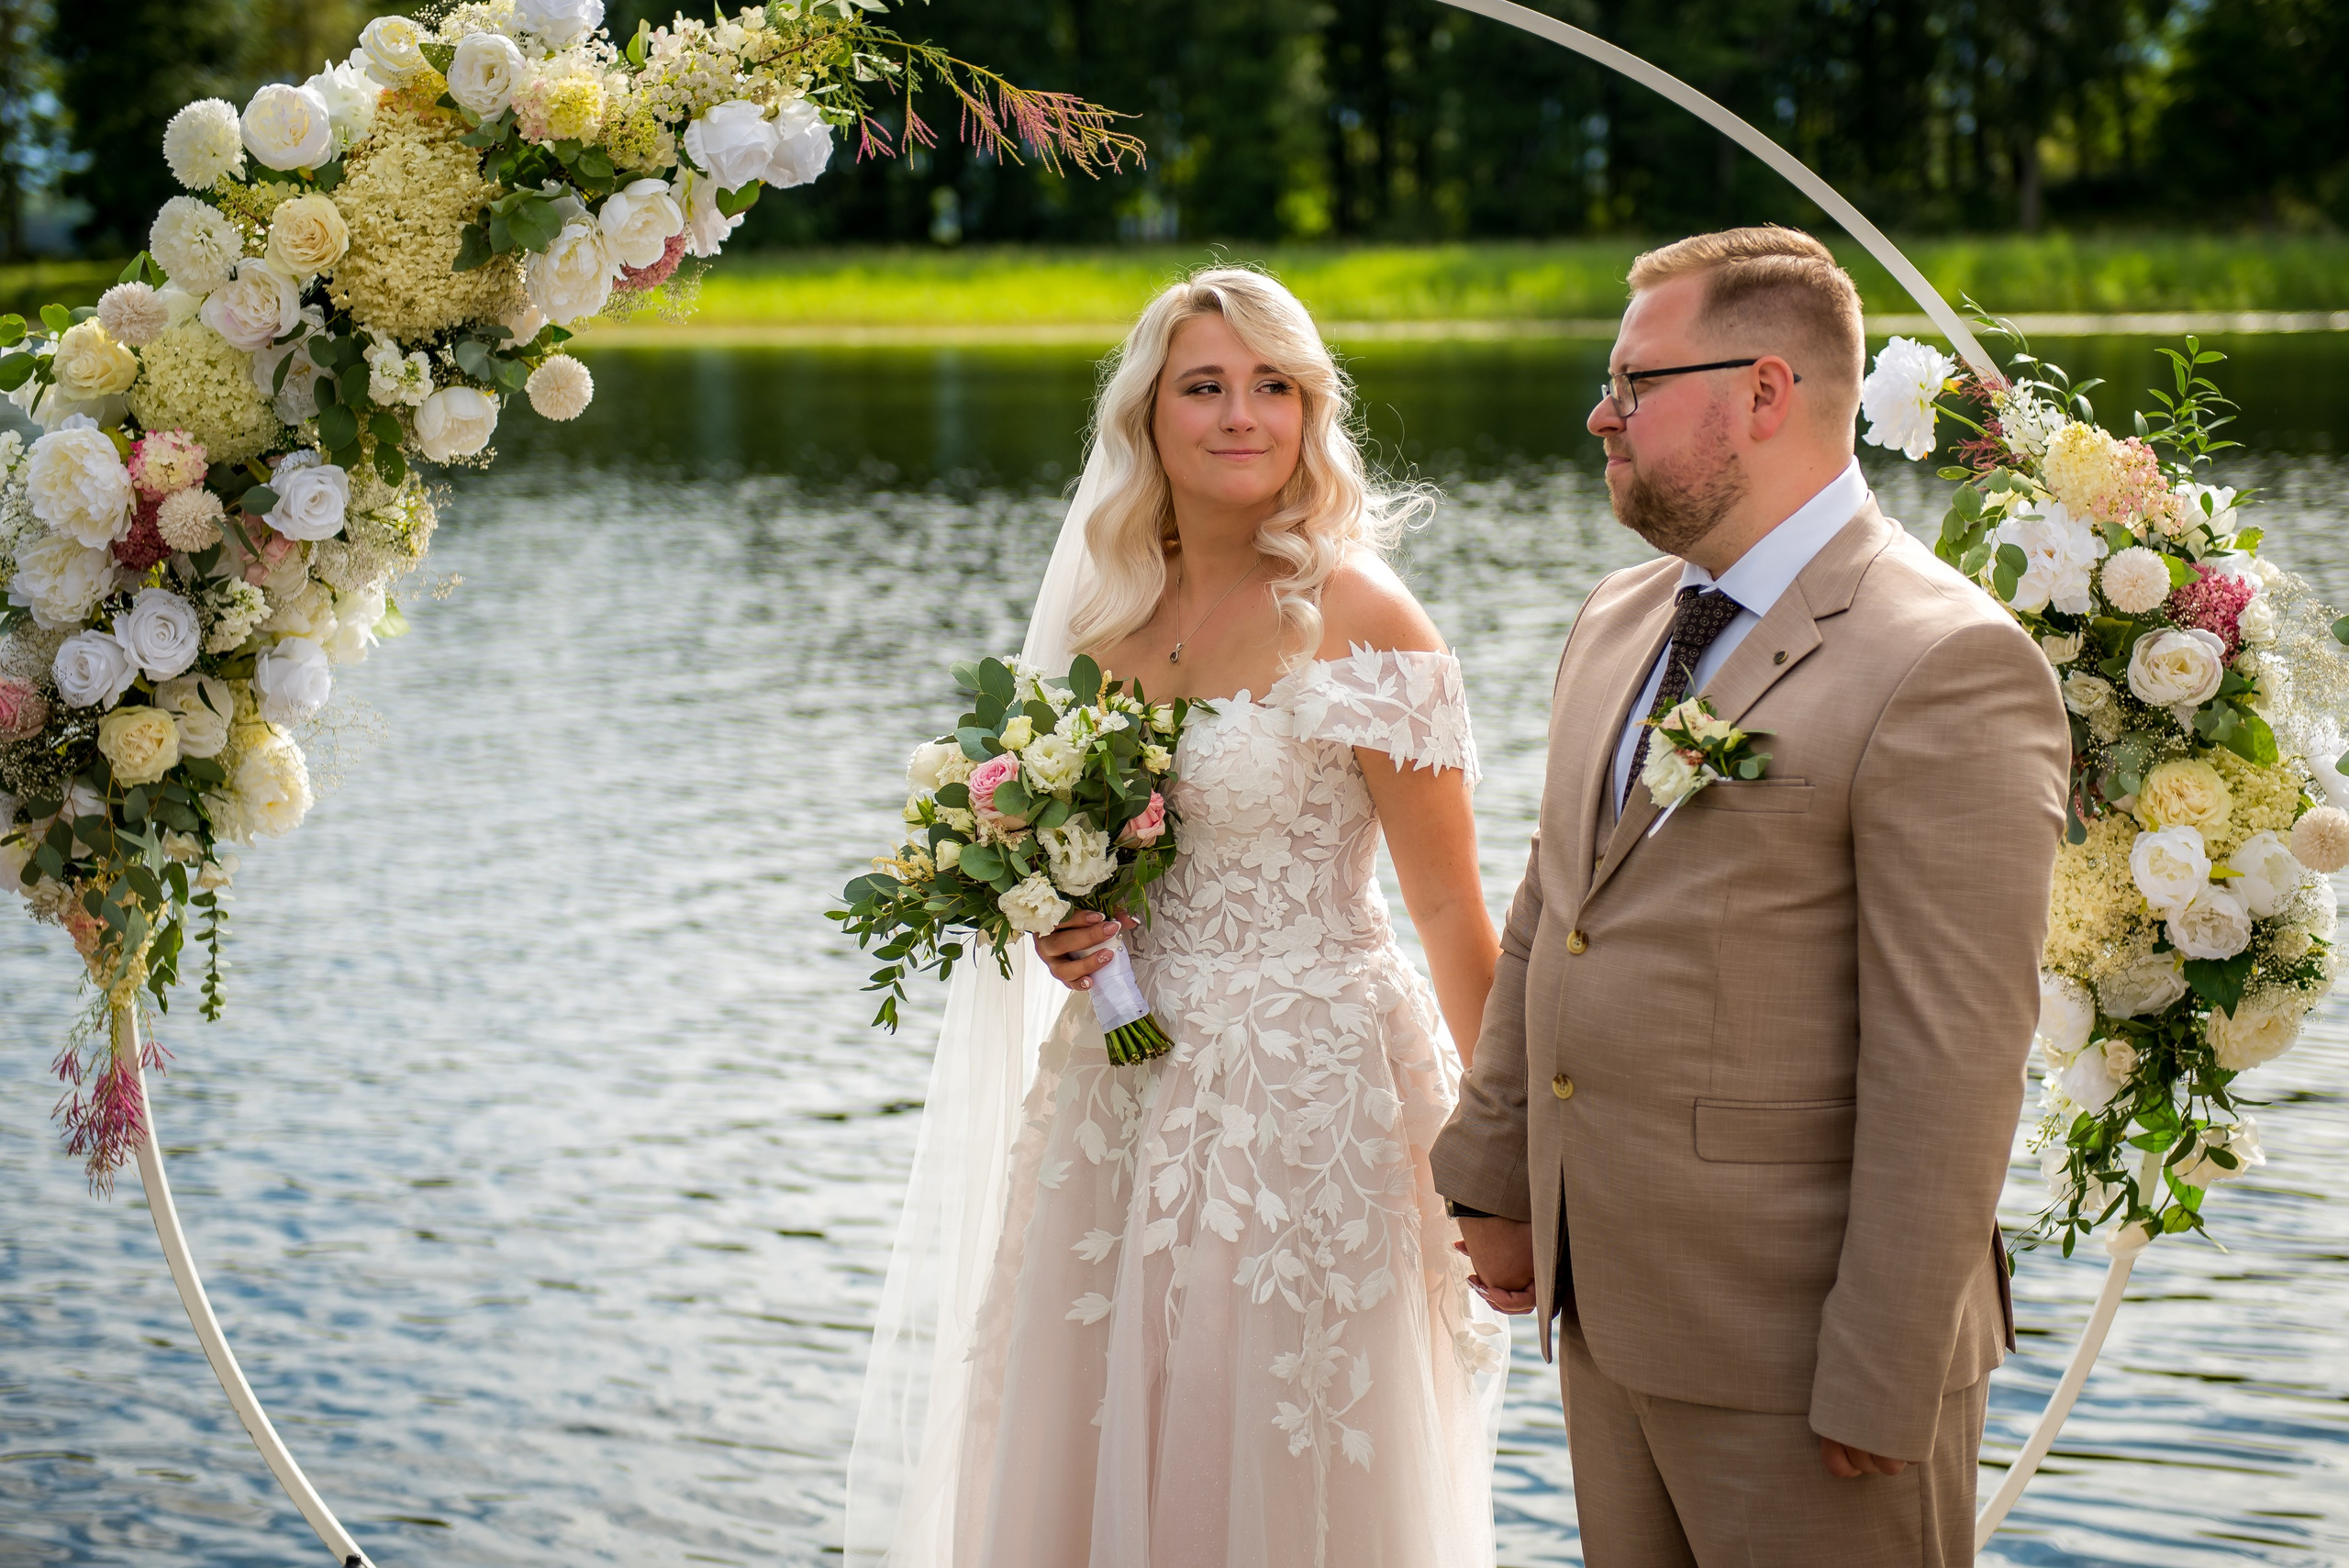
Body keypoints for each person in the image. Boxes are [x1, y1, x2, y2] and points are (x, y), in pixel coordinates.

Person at [849, 267, 1507, 1568]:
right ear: (1149, 417)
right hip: (1119, 1090)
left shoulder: (1365, 617)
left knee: (1286, 1447)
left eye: (1274, 386)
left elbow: (1447, 907)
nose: (1240, 415)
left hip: (1313, 1101)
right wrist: (1065, 924)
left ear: (1313, 412)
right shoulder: (1105, 629)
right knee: (1097, 1431)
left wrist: (1513, 1159)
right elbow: (1103, 866)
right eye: (1204, 386)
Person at [1435, 226, 2070, 1564]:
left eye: (1635, 380)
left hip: (1809, 1356)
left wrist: (1886, 1358)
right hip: (1609, 1313)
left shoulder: (1947, 660)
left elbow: (1952, 1056)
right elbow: (1560, 903)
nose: (1599, 413)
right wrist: (1494, 1174)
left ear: (1767, 391)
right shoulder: (1621, 616)